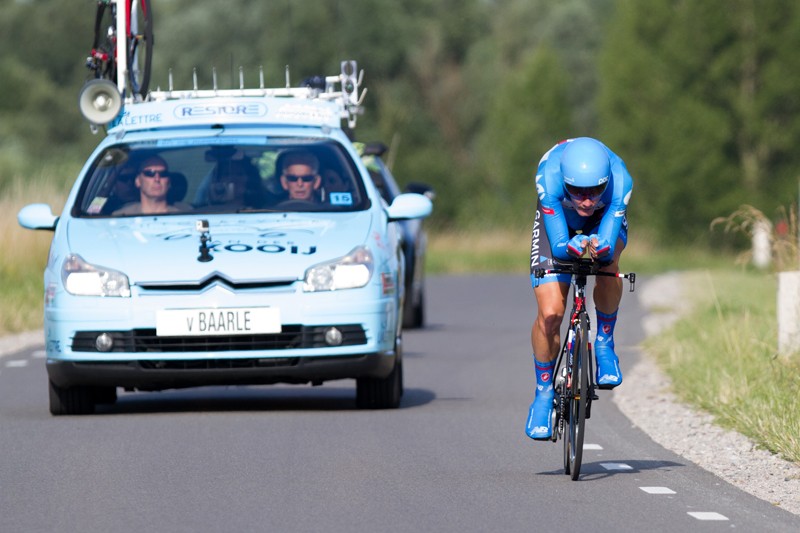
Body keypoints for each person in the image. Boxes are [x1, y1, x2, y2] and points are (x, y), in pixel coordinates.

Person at [526, 137, 634, 440]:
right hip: (559, 220)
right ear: (565, 182)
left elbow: (609, 243)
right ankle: (544, 393)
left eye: (595, 191)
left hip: (605, 220)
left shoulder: (621, 179)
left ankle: (603, 343)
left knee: (608, 262)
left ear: (607, 182)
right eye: (578, 191)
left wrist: (599, 246)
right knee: (550, 315)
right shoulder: (548, 176)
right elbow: (559, 248)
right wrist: (567, 246)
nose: (586, 200)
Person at [113, 156, 185, 215]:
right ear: (138, 181)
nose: (157, 179)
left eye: (163, 174)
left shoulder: (184, 218)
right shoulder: (119, 217)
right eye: (150, 173)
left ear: (169, 182)